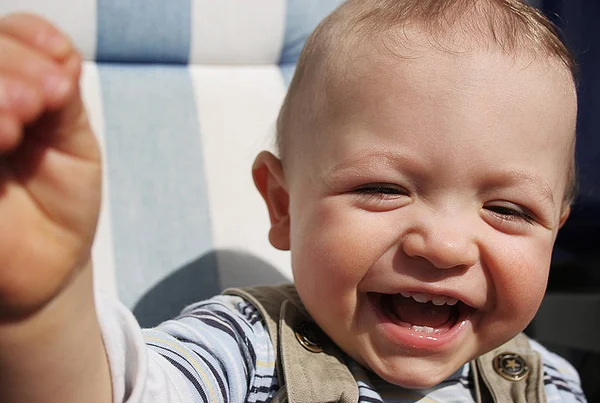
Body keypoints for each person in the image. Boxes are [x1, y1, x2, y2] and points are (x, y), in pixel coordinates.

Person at [0, 0, 588, 402]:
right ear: (282, 206)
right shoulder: (245, 350)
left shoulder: (545, 382)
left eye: (509, 211)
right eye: (381, 189)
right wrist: (41, 312)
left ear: (555, 231)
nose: (445, 245)